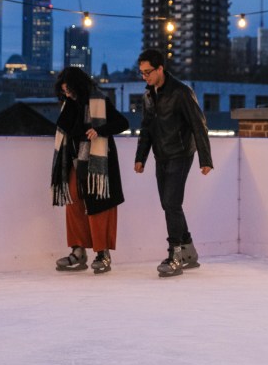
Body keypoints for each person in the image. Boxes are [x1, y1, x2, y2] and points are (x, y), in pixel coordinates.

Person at [134, 49, 213, 277]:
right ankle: (189, 251)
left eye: (148, 72)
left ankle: (175, 255)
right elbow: (146, 127)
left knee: (171, 202)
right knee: (169, 204)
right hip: (161, 154)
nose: (145, 77)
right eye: (142, 73)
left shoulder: (181, 92)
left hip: (180, 153)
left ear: (160, 69)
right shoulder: (149, 95)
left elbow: (199, 125)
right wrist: (141, 157)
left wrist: (205, 159)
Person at [51, 67, 129, 274]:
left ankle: (102, 253)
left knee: (99, 206)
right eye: (64, 91)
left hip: (98, 165)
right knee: (74, 202)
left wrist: (100, 130)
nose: (67, 95)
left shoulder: (98, 101)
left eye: (70, 91)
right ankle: (78, 250)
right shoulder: (68, 105)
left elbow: (123, 123)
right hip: (76, 162)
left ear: (78, 86)